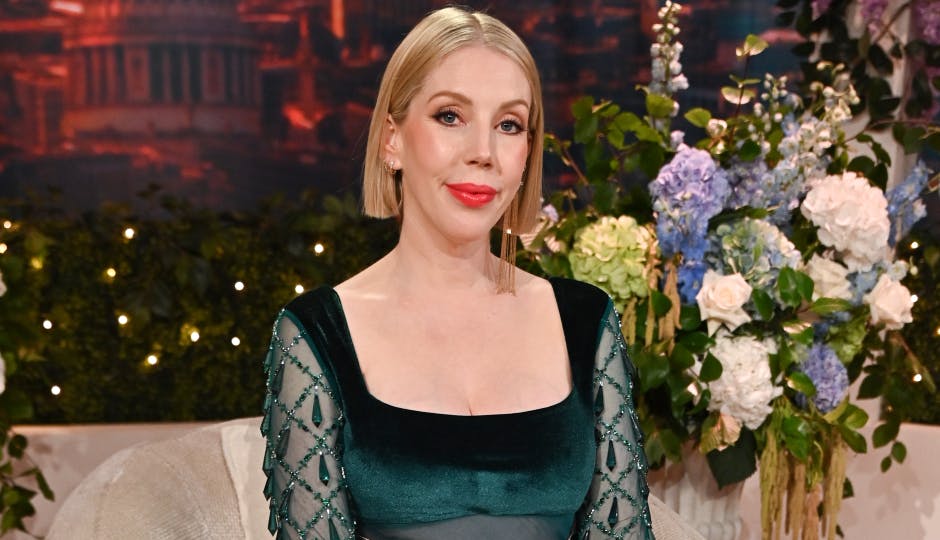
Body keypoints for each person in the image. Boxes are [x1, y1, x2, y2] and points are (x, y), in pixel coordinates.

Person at [261, 6, 654, 539]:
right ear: (392, 139)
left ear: (527, 153)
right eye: (450, 116)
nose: (483, 153)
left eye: (509, 125)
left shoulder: (585, 321)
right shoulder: (317, 333)